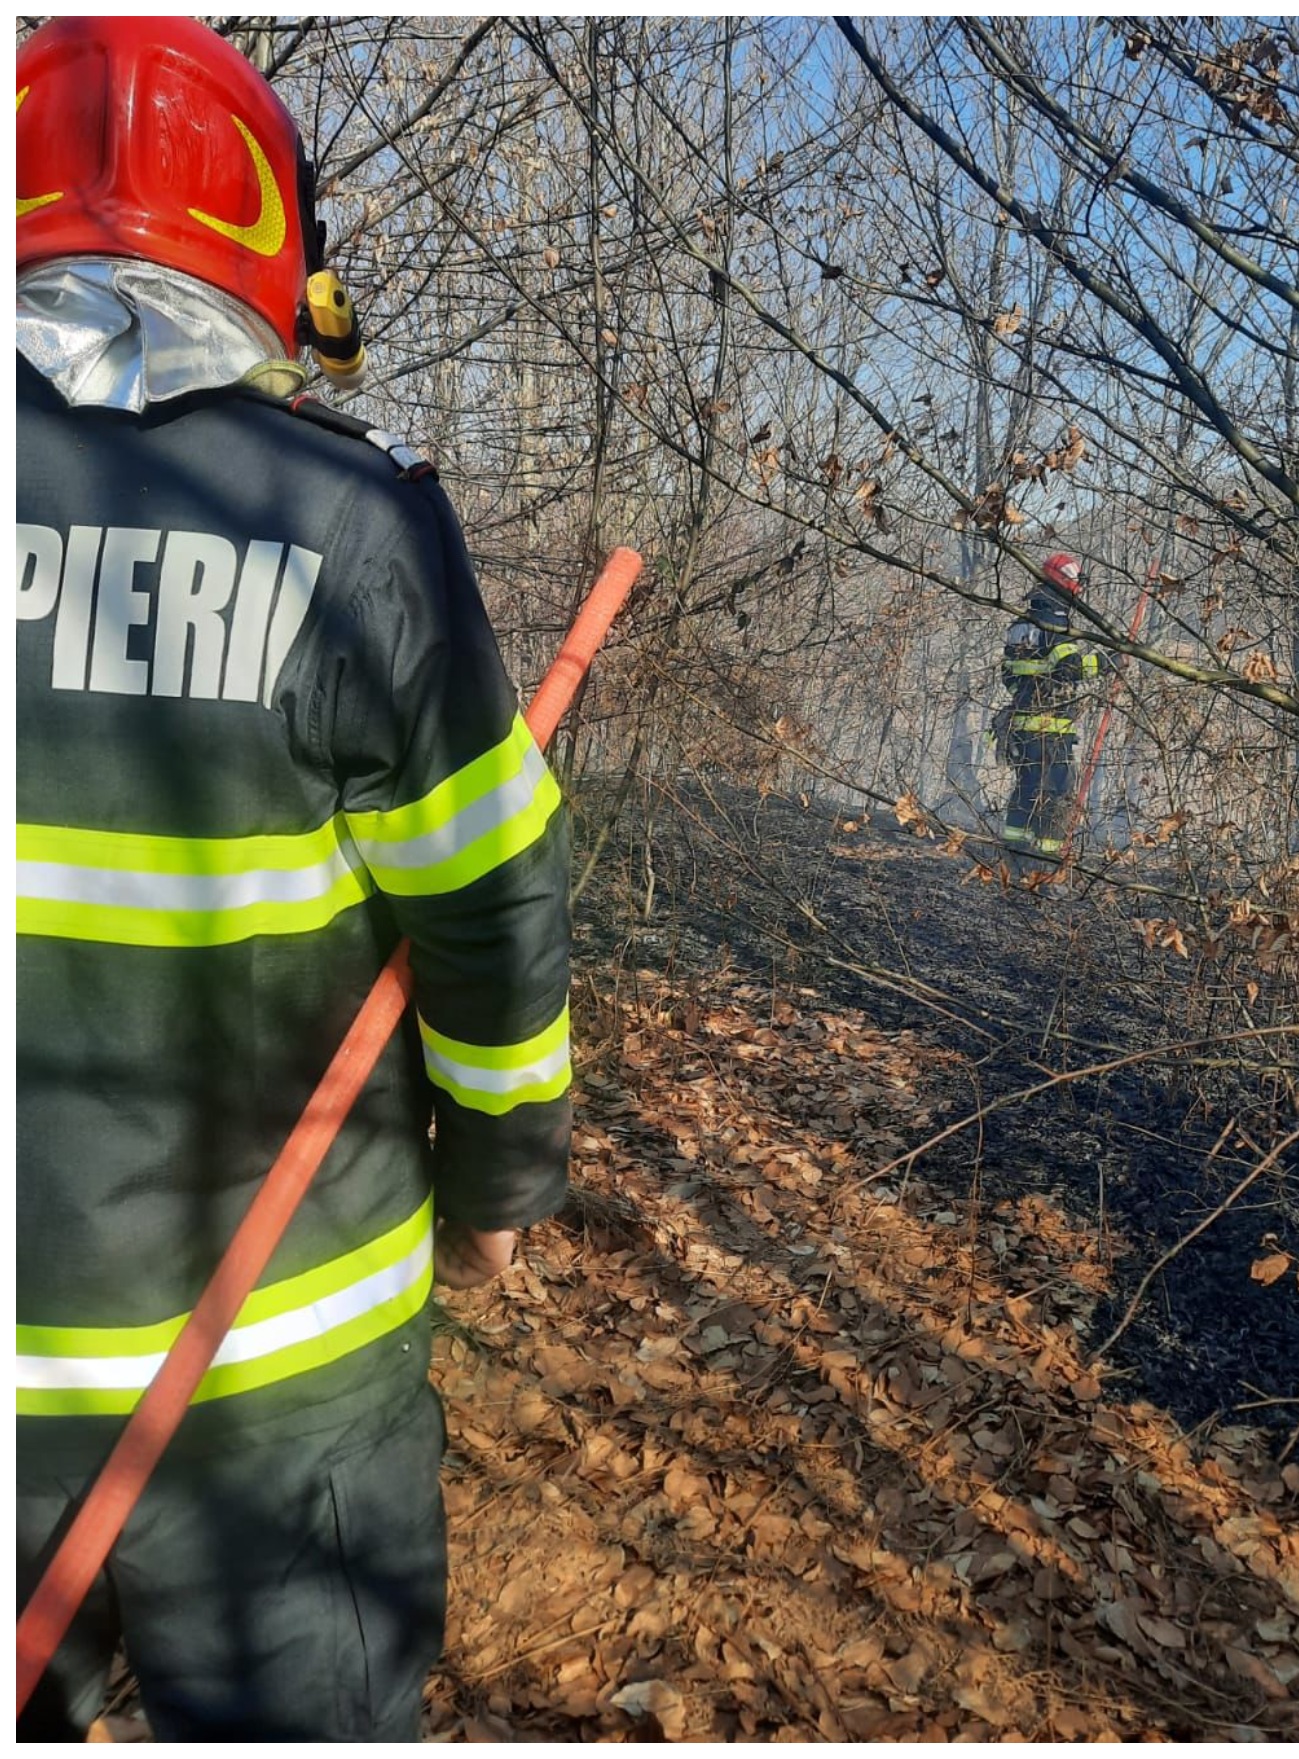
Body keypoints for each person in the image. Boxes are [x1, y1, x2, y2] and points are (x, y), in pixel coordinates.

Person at [16, 17, 571, 1739]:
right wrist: (497, 1182)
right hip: (274, 1380)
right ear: (277, 260)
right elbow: (489, 909)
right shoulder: (355, 533)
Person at [999, 554, 1098, 857]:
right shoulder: (1055, 622)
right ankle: (1047, 859)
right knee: (1057, 795)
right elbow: (1072, 668)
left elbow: (1009, 675)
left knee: (1026, 791)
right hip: (1051, 730)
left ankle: (1015, 852)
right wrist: (1106, 662)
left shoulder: (1020, 624)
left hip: (1022, 725)